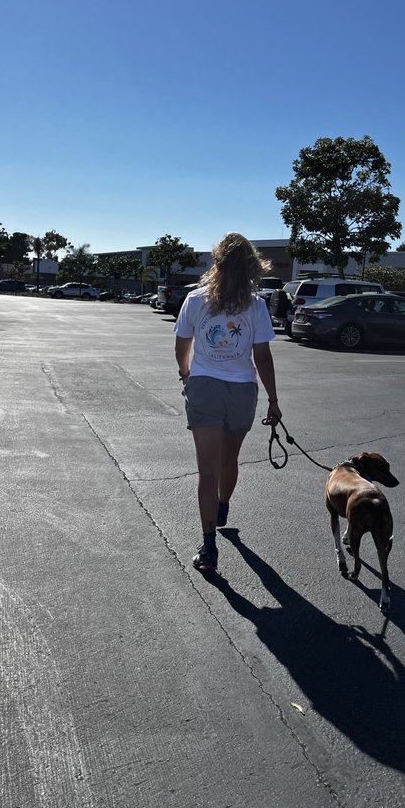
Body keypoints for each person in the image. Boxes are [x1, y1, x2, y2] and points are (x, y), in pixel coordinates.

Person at [174, 232, 282, 572]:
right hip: (241, 391)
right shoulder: (256, 304)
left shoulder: (195, 300)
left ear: (216, 263)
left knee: (207, 471)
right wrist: (274, 400)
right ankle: (222, 506)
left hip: (204, 385)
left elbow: (182, 344)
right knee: (228, 461)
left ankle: (209, 549)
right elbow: (262, 357)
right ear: (251, 266)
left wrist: (186, 373)